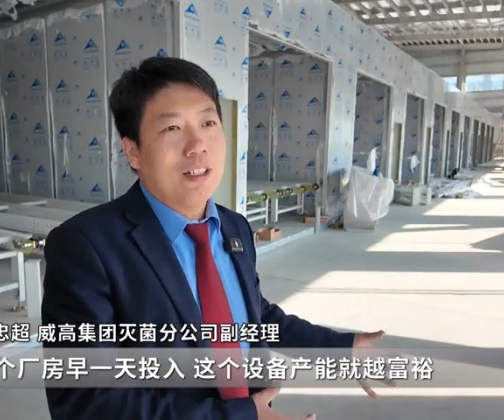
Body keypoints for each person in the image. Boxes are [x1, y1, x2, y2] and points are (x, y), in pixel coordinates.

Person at [41, 56, 385, 420]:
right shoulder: (86, 247)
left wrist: (337, 346)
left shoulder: (234, 227)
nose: (197, 145)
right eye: (172, 128)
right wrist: (239, 416)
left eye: (208, 123)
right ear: (133, 151)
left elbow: (252, 314)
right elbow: (87, 402)